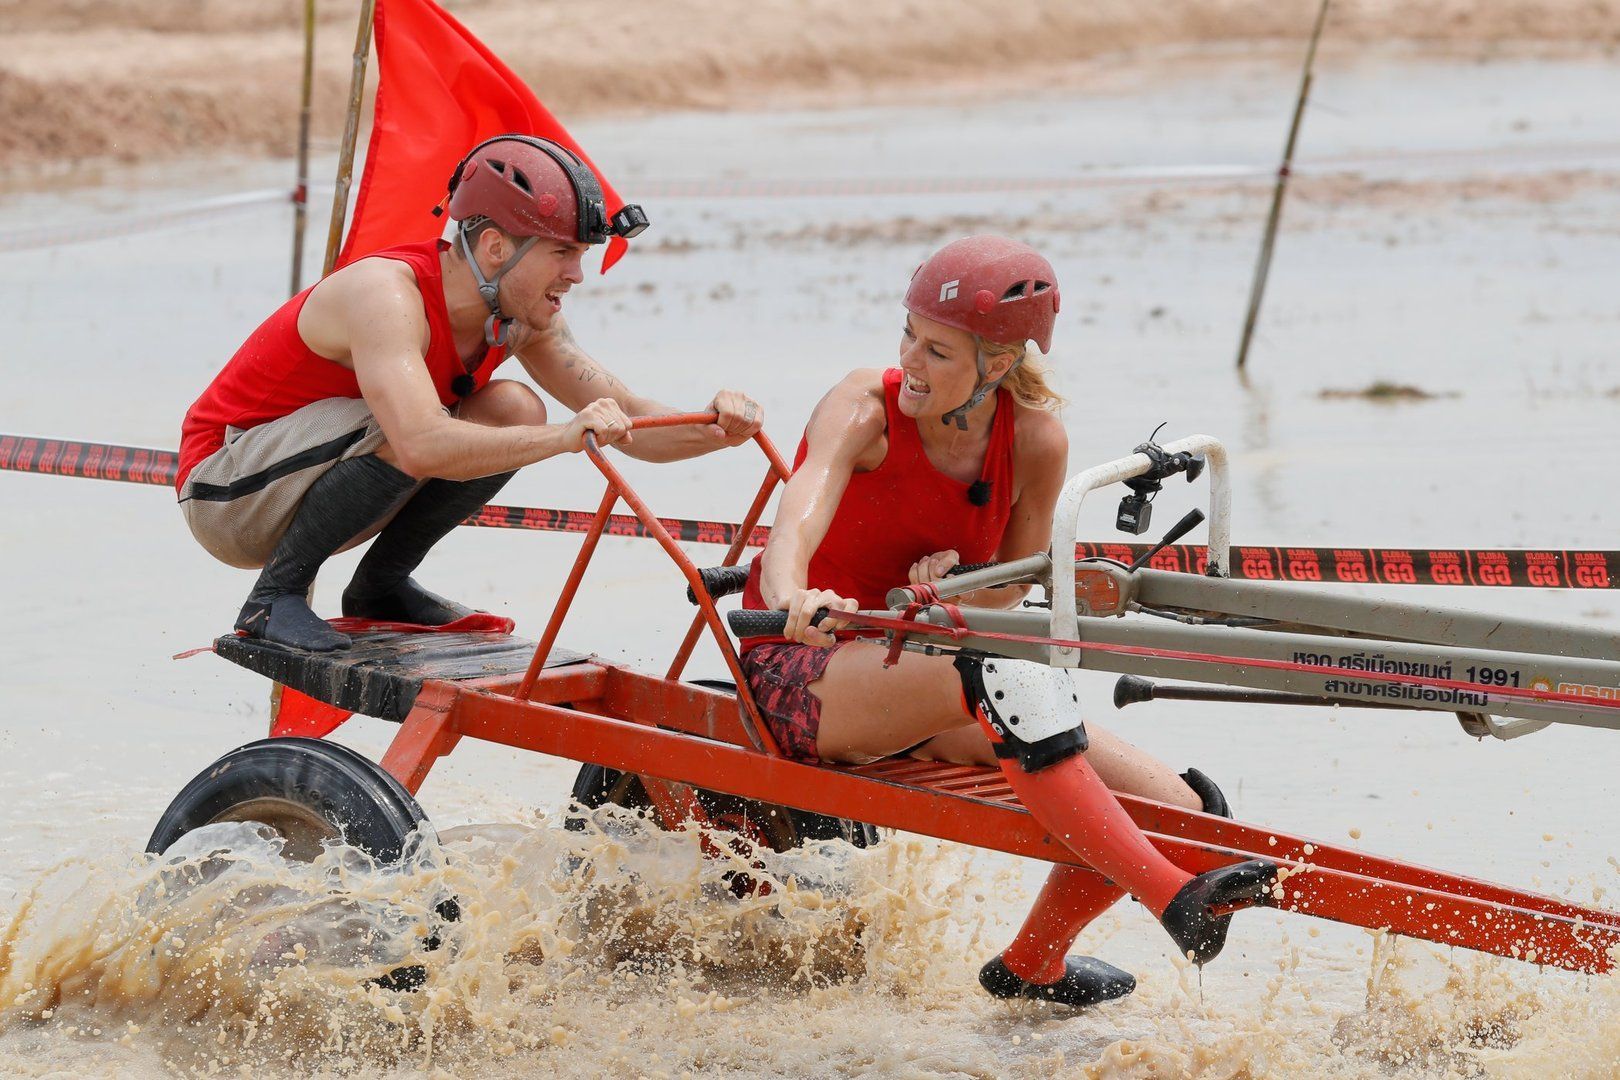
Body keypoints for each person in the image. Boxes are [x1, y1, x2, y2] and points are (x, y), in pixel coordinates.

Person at [738, 235, 1271, 1009]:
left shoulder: (1035, 440)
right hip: (804, 666)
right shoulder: (864, 405)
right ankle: (1169, 897)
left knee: (1188, 811)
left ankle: (1034, 962)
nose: (911, 362)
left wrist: (958, 589)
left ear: (998, 363)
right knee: (1002, 675)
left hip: (938, 677)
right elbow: (797, 516)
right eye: (909, 336)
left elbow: (1010, 593)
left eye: (940, 351)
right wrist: (793, 596)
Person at [177, 134, 762, 651]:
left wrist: (715, 428)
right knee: (409, 424)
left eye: (580, 255)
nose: (577, 275)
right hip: (225, 495)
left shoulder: (522, 316)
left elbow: (631, 419)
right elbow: (420, 445)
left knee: (514, 409)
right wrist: (561, 438)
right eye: (563, 252)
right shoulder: (386, 294)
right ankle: (272, 597)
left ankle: (378, 586)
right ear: (495, 248)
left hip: (307, 476)